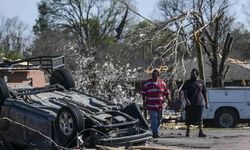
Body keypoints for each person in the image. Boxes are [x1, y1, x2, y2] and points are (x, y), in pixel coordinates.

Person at [141, 69, 171, 138]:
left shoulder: (162, 83)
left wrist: (169, 100)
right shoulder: (147, 83)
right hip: (151, 104)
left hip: (160, 104)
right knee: (153, 118)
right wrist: (144, 101)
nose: (153, 76)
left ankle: (154, 130)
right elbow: (143, 93)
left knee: (159, 118)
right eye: (153, 74)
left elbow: (167, 92)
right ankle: (155, 132)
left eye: (155, 74)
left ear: (158, 75)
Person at [181, 68, 209, 137]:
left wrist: (207, 102)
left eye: (194, 74)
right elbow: (185, 92)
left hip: (199, 103)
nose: (193, 75)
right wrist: (186, 100)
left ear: (197, 74)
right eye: (192, 74)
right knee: (189, 118)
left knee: (200, 118)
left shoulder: (201, 82)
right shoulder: (187, 82)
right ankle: (188, 131)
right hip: (190, 103)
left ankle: (200, 132)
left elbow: (204, 93)